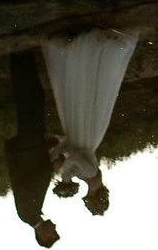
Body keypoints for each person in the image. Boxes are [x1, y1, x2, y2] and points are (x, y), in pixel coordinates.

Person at [42, 28, 138, 215]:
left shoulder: (90, 179)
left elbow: (71, 153)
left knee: (80, 97)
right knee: (80, 98)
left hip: (80, 138)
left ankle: (78, 54)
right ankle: (79, 53)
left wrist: (58, 158)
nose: (87, 205)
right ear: (96, 200)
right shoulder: (92, 177)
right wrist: (65, 176)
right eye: (91, 206)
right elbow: (76, 157)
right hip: (83, 137)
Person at [3, 49, 60, 249]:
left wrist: (52, 166)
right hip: (31, 148)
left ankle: (20, 58)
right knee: (33, 102)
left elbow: (29, 182)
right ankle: (22, 58)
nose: (55, 228)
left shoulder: (28, 215)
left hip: (27, 148)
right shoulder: (34, 213)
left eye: (54, 233)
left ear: (43, 236)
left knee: (30, 103)